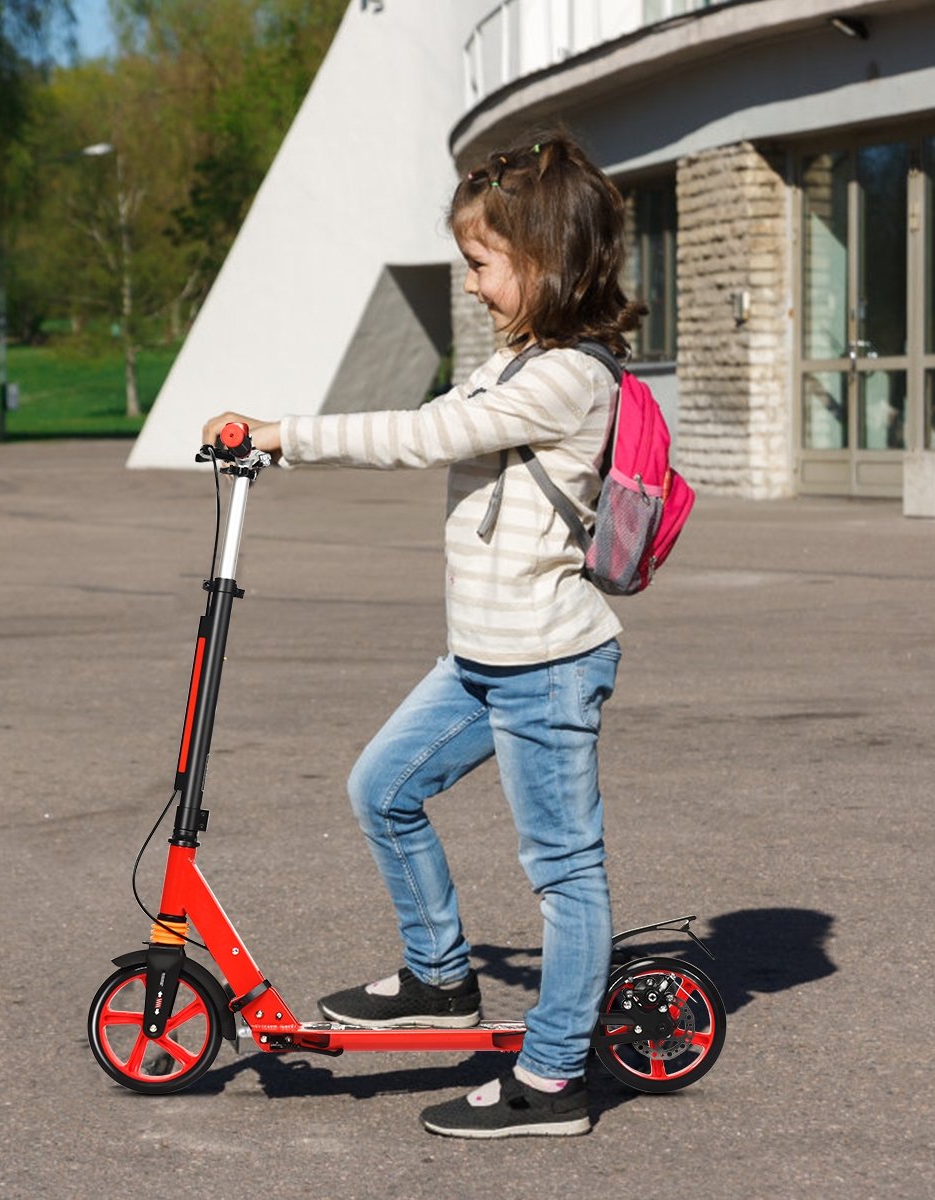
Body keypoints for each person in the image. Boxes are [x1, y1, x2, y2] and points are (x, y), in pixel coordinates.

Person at [203, 131, 644, 1139]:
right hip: (483, 660)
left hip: (546, 663)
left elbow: (426, 435)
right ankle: (441, 978)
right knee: (382, 789)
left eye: (485, 263)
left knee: (564, 872)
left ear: (549, 261)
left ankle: (552, 1081)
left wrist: (284, 433)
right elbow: (446, 412)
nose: (474, 285)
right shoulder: (518, 362)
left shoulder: (570, 379)